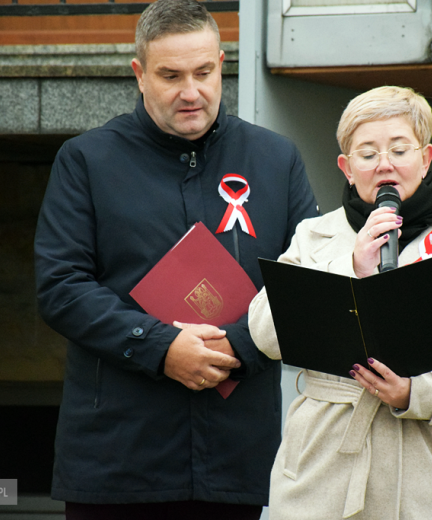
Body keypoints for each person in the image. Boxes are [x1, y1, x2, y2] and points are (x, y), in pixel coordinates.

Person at [34, 1, 319, 518]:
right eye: (170, 75)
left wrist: (235, 345)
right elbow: (62, 287)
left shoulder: (277, 160)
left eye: (204, 72)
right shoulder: (86, 160)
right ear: (139, 74)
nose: (192, 92)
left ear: (223, 62)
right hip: (118, 460)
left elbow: (307, 287)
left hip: (238, 460)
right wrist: (161, 348)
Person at [248, 86, 432, 519]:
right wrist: (349, 265)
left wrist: (418, 392)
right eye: (368, 153)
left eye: (399, 149)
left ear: (427, 158)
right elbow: (263, 332)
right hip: (321, 472)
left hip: (425, 480)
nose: (385, 164)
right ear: (347, 167)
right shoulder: (314, 237)